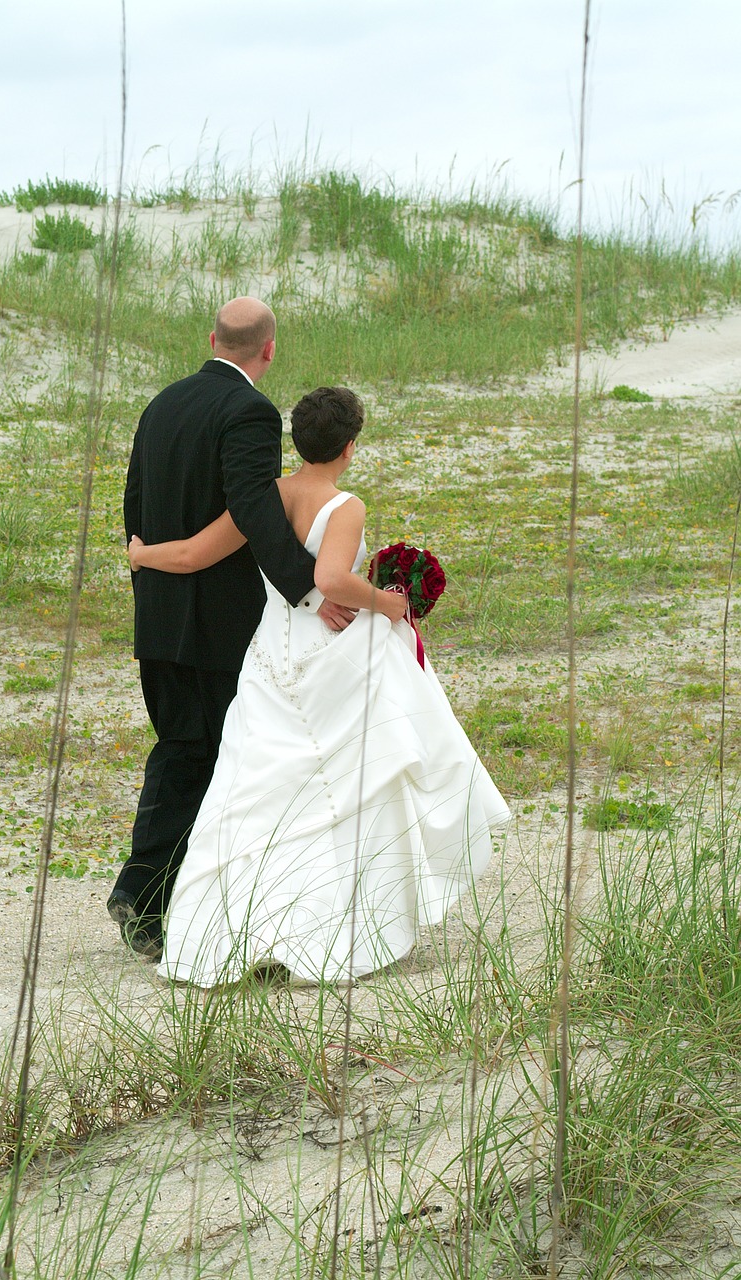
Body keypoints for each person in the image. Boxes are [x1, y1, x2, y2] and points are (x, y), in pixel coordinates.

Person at [128, 386, 511, 985]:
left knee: (257, 781)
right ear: (350, 447)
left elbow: (199, 553)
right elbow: (332, 578)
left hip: (269, 657)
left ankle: (232, 927)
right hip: (328, 653)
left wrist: (145, 555)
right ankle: (331, 926)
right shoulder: (345, 505)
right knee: (345, 781)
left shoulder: (267, 494)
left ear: (296, 442)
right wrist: (387, 602)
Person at [108, 299, 354, 958]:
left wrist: (147, 586)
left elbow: (133, 504)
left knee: (187, 750)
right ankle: (144, 893)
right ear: (268, 350)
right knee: (204, 755)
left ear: (213, 339)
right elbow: (251, 505)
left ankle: (164, 896)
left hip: (159, 615)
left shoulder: (160, 405)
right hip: (215, 625)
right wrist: (309, 587)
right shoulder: (248, 412)